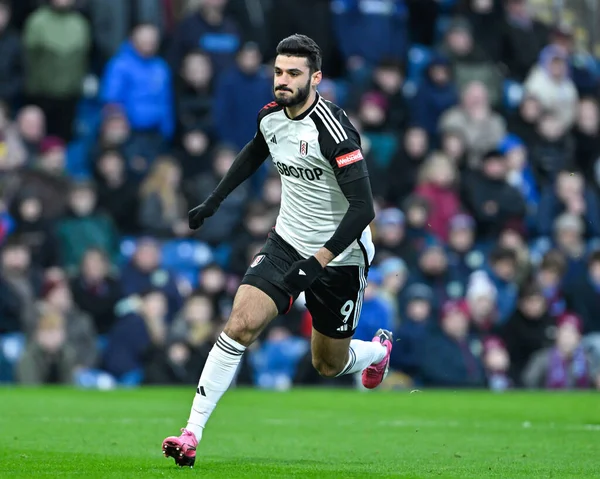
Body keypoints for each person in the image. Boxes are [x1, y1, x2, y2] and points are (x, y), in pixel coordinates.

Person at [162, 34, 393, 467]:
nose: (282, 81)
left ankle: (378, 351)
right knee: (240, 323)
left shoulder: (335, 133)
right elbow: (254, 152)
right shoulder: (271, 116)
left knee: (327, 363)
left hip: (340, 258)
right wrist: (214, 200)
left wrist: (318, 263)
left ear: (316, 78)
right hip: (286, 242)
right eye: (278, 72)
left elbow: (364, 208)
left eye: (293, 74)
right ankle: (191, 433)